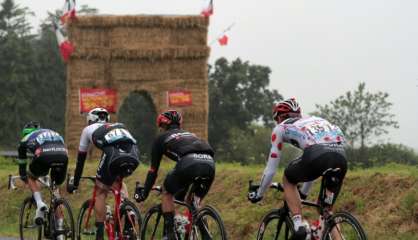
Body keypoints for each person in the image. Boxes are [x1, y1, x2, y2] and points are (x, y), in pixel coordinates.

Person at [248, 98, 347, 240]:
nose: (277, 122)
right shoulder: (315, 120)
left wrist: (259, 194)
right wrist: (302, 194)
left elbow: (271, 169)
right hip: (340, 156)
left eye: (277, 119)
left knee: (288, 178)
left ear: (280, 117)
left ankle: (299, 225)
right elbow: (313, 170)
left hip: (317, 155)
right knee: (326, 212)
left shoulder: (281, 127)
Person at [134, 110, 215, 240]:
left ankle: (170, 233)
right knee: (193, 201)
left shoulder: (161, 138)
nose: (161, 129)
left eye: (161, 127)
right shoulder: (191, 134)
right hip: (209, 164)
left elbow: (153, 171)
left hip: (189, 163)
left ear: (163, 125)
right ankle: (205, 234)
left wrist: (145, 193)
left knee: (167, 192)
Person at [67, 107, 140, 240]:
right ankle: (128, 212)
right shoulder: (119, 125)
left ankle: (99, 235)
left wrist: (75, 182)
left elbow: (80, 160)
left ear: (90, 120)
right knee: (119, 182)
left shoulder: (87, 129)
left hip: (113, 155)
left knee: (101, 191)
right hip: (134, 155)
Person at [17, 121, 68, 225]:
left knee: (31, 177)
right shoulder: (52, 132)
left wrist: (23, 176)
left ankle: (40, 203)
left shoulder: (26, 138)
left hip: (44, 155)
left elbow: (22, 161)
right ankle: (60, 228)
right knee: (55, 189)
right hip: (63, 155)